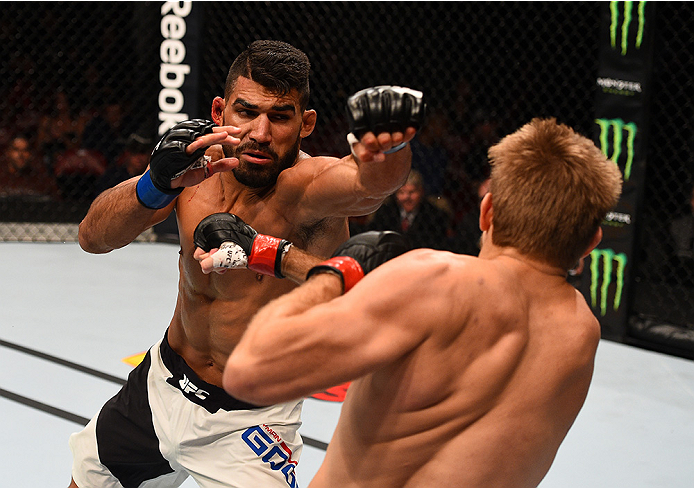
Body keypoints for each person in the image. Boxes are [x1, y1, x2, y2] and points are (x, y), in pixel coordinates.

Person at [69, 39, 424, 488]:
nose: (260, 132)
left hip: (252, 424)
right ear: (220, 111)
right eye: (246, 112)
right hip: (161, 386)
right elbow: (92, 238)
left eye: (279, 116)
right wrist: (154, 183)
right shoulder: (195, 169)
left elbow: (369, 184)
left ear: (306, 123)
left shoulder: (309, 188)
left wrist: (389, 148)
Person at [222, 117, 623, 488]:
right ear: (592, 242)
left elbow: (249, 371)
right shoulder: (582, 332)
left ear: (486, 213)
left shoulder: (436, 280)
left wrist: (334, 274)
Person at [368, 169, 452, 250]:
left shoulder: (434, 215)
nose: (406, 197)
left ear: (421, 192)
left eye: (412, 192)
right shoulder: (385, 212)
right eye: (401, 192)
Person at [0, 134, 59, 200]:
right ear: (8, 153)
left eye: (25, 150)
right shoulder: (2, 177)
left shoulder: (42, 180)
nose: (21, 155)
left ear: (30, 154)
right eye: (16, 149)